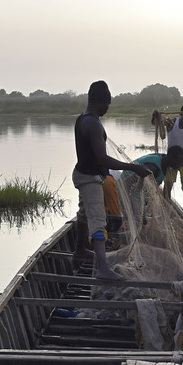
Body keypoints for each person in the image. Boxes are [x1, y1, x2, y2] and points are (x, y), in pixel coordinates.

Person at [73, 81, 152, 279]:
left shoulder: (82, 118)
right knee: (98, 221)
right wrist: (133, 167)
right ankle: (103, 269)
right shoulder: (92, 123)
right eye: (107, 105)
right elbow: (102, 158)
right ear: (102, 102)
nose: (108, 109)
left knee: (84, 214)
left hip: (84, 174)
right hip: (90, 178)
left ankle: (79, 250)